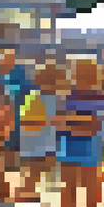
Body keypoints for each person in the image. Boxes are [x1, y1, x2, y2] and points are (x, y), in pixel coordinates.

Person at [58, 60, 104, 207]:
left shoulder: (99, 97)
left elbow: (95, 126)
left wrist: (73, 121)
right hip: (69, 148)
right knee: (70, 196)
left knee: (91, 197)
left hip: (89, 150)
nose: (81, 75)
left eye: (85, 71)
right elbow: (60, 123)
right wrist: (80, 121)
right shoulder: (65, 95)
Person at [17, 62, 66, 197]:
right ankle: (26, 190)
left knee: (40, 167)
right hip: (35, 141)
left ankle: (29, 189)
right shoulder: (37, 97)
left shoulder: (49, 97)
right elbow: (26, 119)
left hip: (42, 140)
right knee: (34, 169)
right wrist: (48, 122)